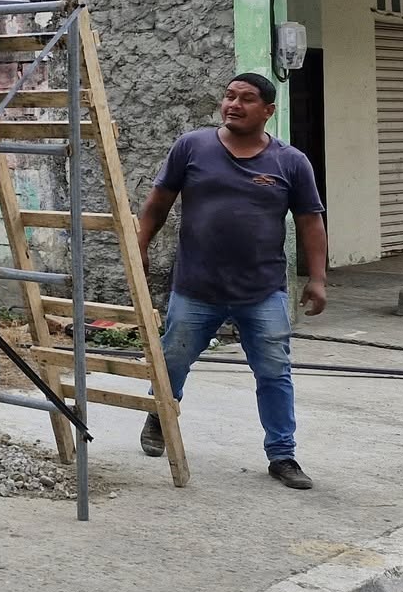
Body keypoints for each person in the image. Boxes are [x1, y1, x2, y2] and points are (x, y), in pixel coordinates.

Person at [136, 72, 329, 490]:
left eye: (246, 98)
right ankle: (160, 414)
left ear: (268, 110)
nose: (233, 104)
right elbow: (158, 202)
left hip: (262, 291)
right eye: (229, 96)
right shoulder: (192, 146)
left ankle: (282, 455)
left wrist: (317, 278)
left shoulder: (290, 162)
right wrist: (140, 246)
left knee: (274, 372)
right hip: (196, 287)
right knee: (172, 361)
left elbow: (310, 222)